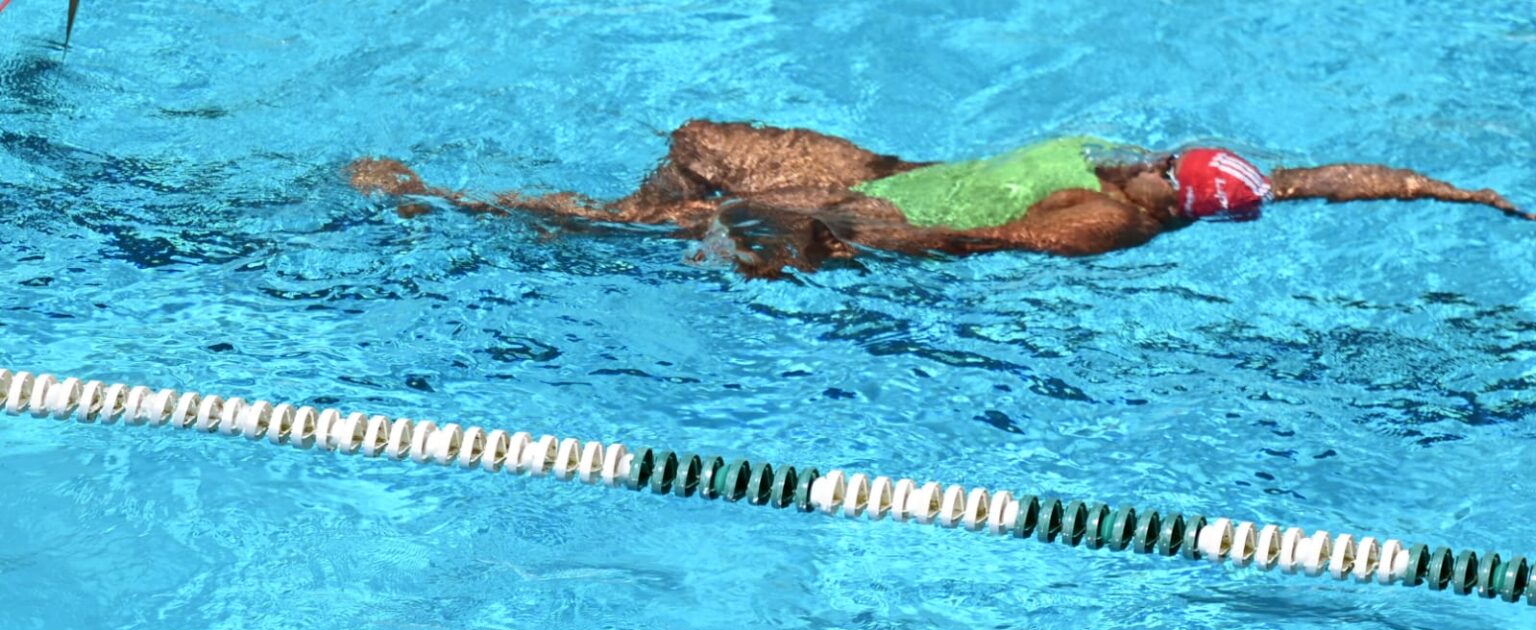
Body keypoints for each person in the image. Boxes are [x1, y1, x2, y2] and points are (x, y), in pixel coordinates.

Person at [348, 119, 1534, 277]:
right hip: (878, 172)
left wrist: (834, 233)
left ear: (1173, 197)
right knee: (699, 143)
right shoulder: (1156, 176)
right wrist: (1458, 190)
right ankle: (624, 227)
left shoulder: (1108, 219)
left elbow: (977, 239)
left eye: (1167, 167)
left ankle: (445, 207)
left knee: (660, 224)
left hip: (881, 220)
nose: (1153, 157)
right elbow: (1322, 184)